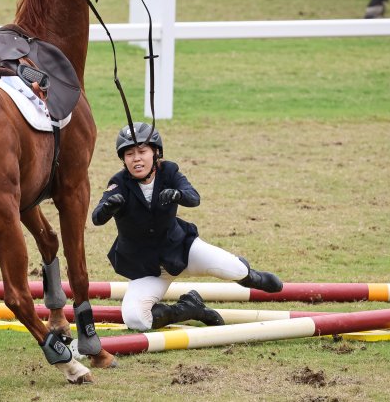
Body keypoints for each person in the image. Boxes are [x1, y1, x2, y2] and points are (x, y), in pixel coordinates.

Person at [92, 122, 284, 331]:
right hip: (146, 269)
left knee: (235, 269)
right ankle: (190, 309)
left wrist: (178, 194)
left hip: (182, 250)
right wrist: (108, 208)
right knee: (136, 319)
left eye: (142, 151)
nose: (136, 158)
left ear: (156, 152)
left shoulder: (169, 171)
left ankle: (254, 277)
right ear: (123, 159)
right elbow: (96, 218)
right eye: (129, 154)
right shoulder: (119, 182)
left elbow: (194, 198)